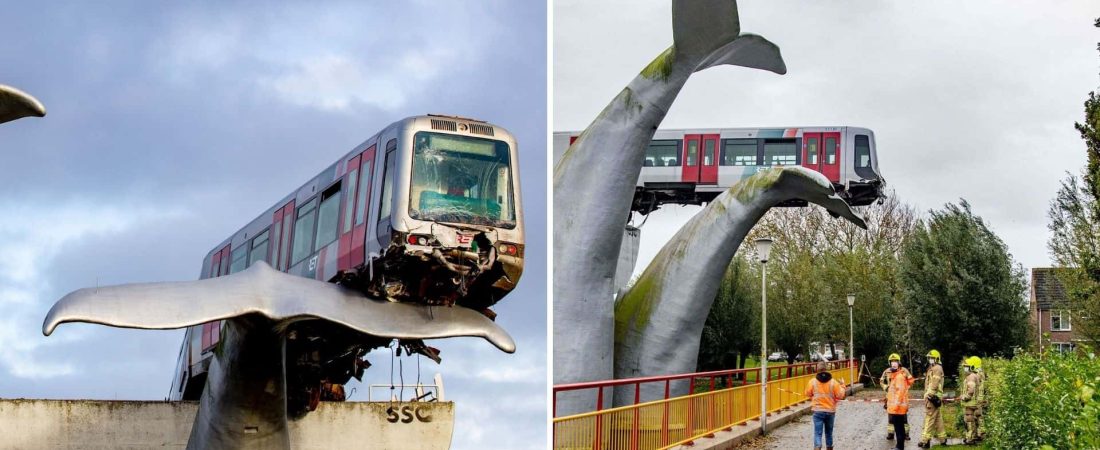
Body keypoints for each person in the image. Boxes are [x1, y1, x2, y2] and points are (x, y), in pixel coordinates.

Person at [804, 362, 847, 450]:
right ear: (826, 370)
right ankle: (829, 448)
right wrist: (842, 385)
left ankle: (818, 447)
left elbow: (807, 393)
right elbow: (841, 395)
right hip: (830, 411)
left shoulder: (812, 382)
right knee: (829, 433)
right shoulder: (833, 382)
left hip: (817, 411)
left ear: (817, 370)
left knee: (818, 433)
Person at [917, 350, 946, 448]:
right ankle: (943, 439)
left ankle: (925, 441)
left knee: (929, 419)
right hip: (935, 397)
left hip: (932, 398)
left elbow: (934, 383)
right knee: (938, 419)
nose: (930, 359)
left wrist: (929, 395)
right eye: (929, 358)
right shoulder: (933, 368)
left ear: (937, 359)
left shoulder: (937, 368)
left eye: (932, 358)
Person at [880, 353, 913, 441]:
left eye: (895, 361)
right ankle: (890, 434)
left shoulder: (904, 370)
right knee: (891, 417)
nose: (894, 363)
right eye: (892, 361)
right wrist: (886, 388)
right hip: (890, 398)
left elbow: (911, 380)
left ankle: (906, 434)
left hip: (901, 398)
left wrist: (905, 389)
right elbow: (881, 381)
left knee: (903, 417)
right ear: (889, 362)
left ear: (899, 362)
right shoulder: (887, 371)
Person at [959, 356, 983, 445]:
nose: (965, 368)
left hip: (969, 402)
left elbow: (971, 389)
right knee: (971, 420)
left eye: (966, 366)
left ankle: (970, 438)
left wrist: (965, 397)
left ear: (972, 367)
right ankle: (971, 437)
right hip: (973, 402)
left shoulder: (971, 376)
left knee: (969, 420)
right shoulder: (975, 375)